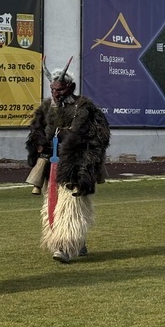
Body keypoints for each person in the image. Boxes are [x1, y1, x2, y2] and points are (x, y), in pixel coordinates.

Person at [26, 68, 111, 262]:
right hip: (52, 165)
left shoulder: (85, 109)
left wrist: (85, 169)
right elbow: (36, 131)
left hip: (76, 166)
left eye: (61, 90)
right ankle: (78, 243)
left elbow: (97, 139)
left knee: (71, 206)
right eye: (53, 89)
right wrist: (39, 144)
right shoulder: (47, 108)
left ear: (71, 87)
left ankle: (65, 247)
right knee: (53, 205)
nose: (56, 94)